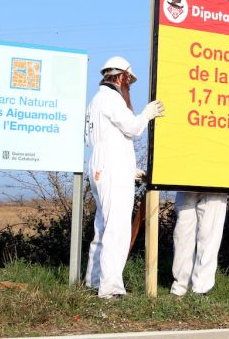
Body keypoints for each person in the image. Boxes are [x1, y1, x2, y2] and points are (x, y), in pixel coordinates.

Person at [84, 56, 164, 299]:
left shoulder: (97, 100)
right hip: (110, 170)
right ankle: (110, 289)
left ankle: (94, 280)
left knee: (103, 226)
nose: (129, 86)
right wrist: (147, 113)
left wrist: (130, 170)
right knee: (117, 229)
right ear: (121, 77)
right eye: (128, 81)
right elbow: (133, 128)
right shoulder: (111, 99)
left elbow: (113, 141)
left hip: (103, 167)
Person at [170, 192, 228, 296]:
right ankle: (180, 287)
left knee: (210, 237)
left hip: (218, 185)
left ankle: (201, 288)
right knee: (182, 235)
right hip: (185, 183)